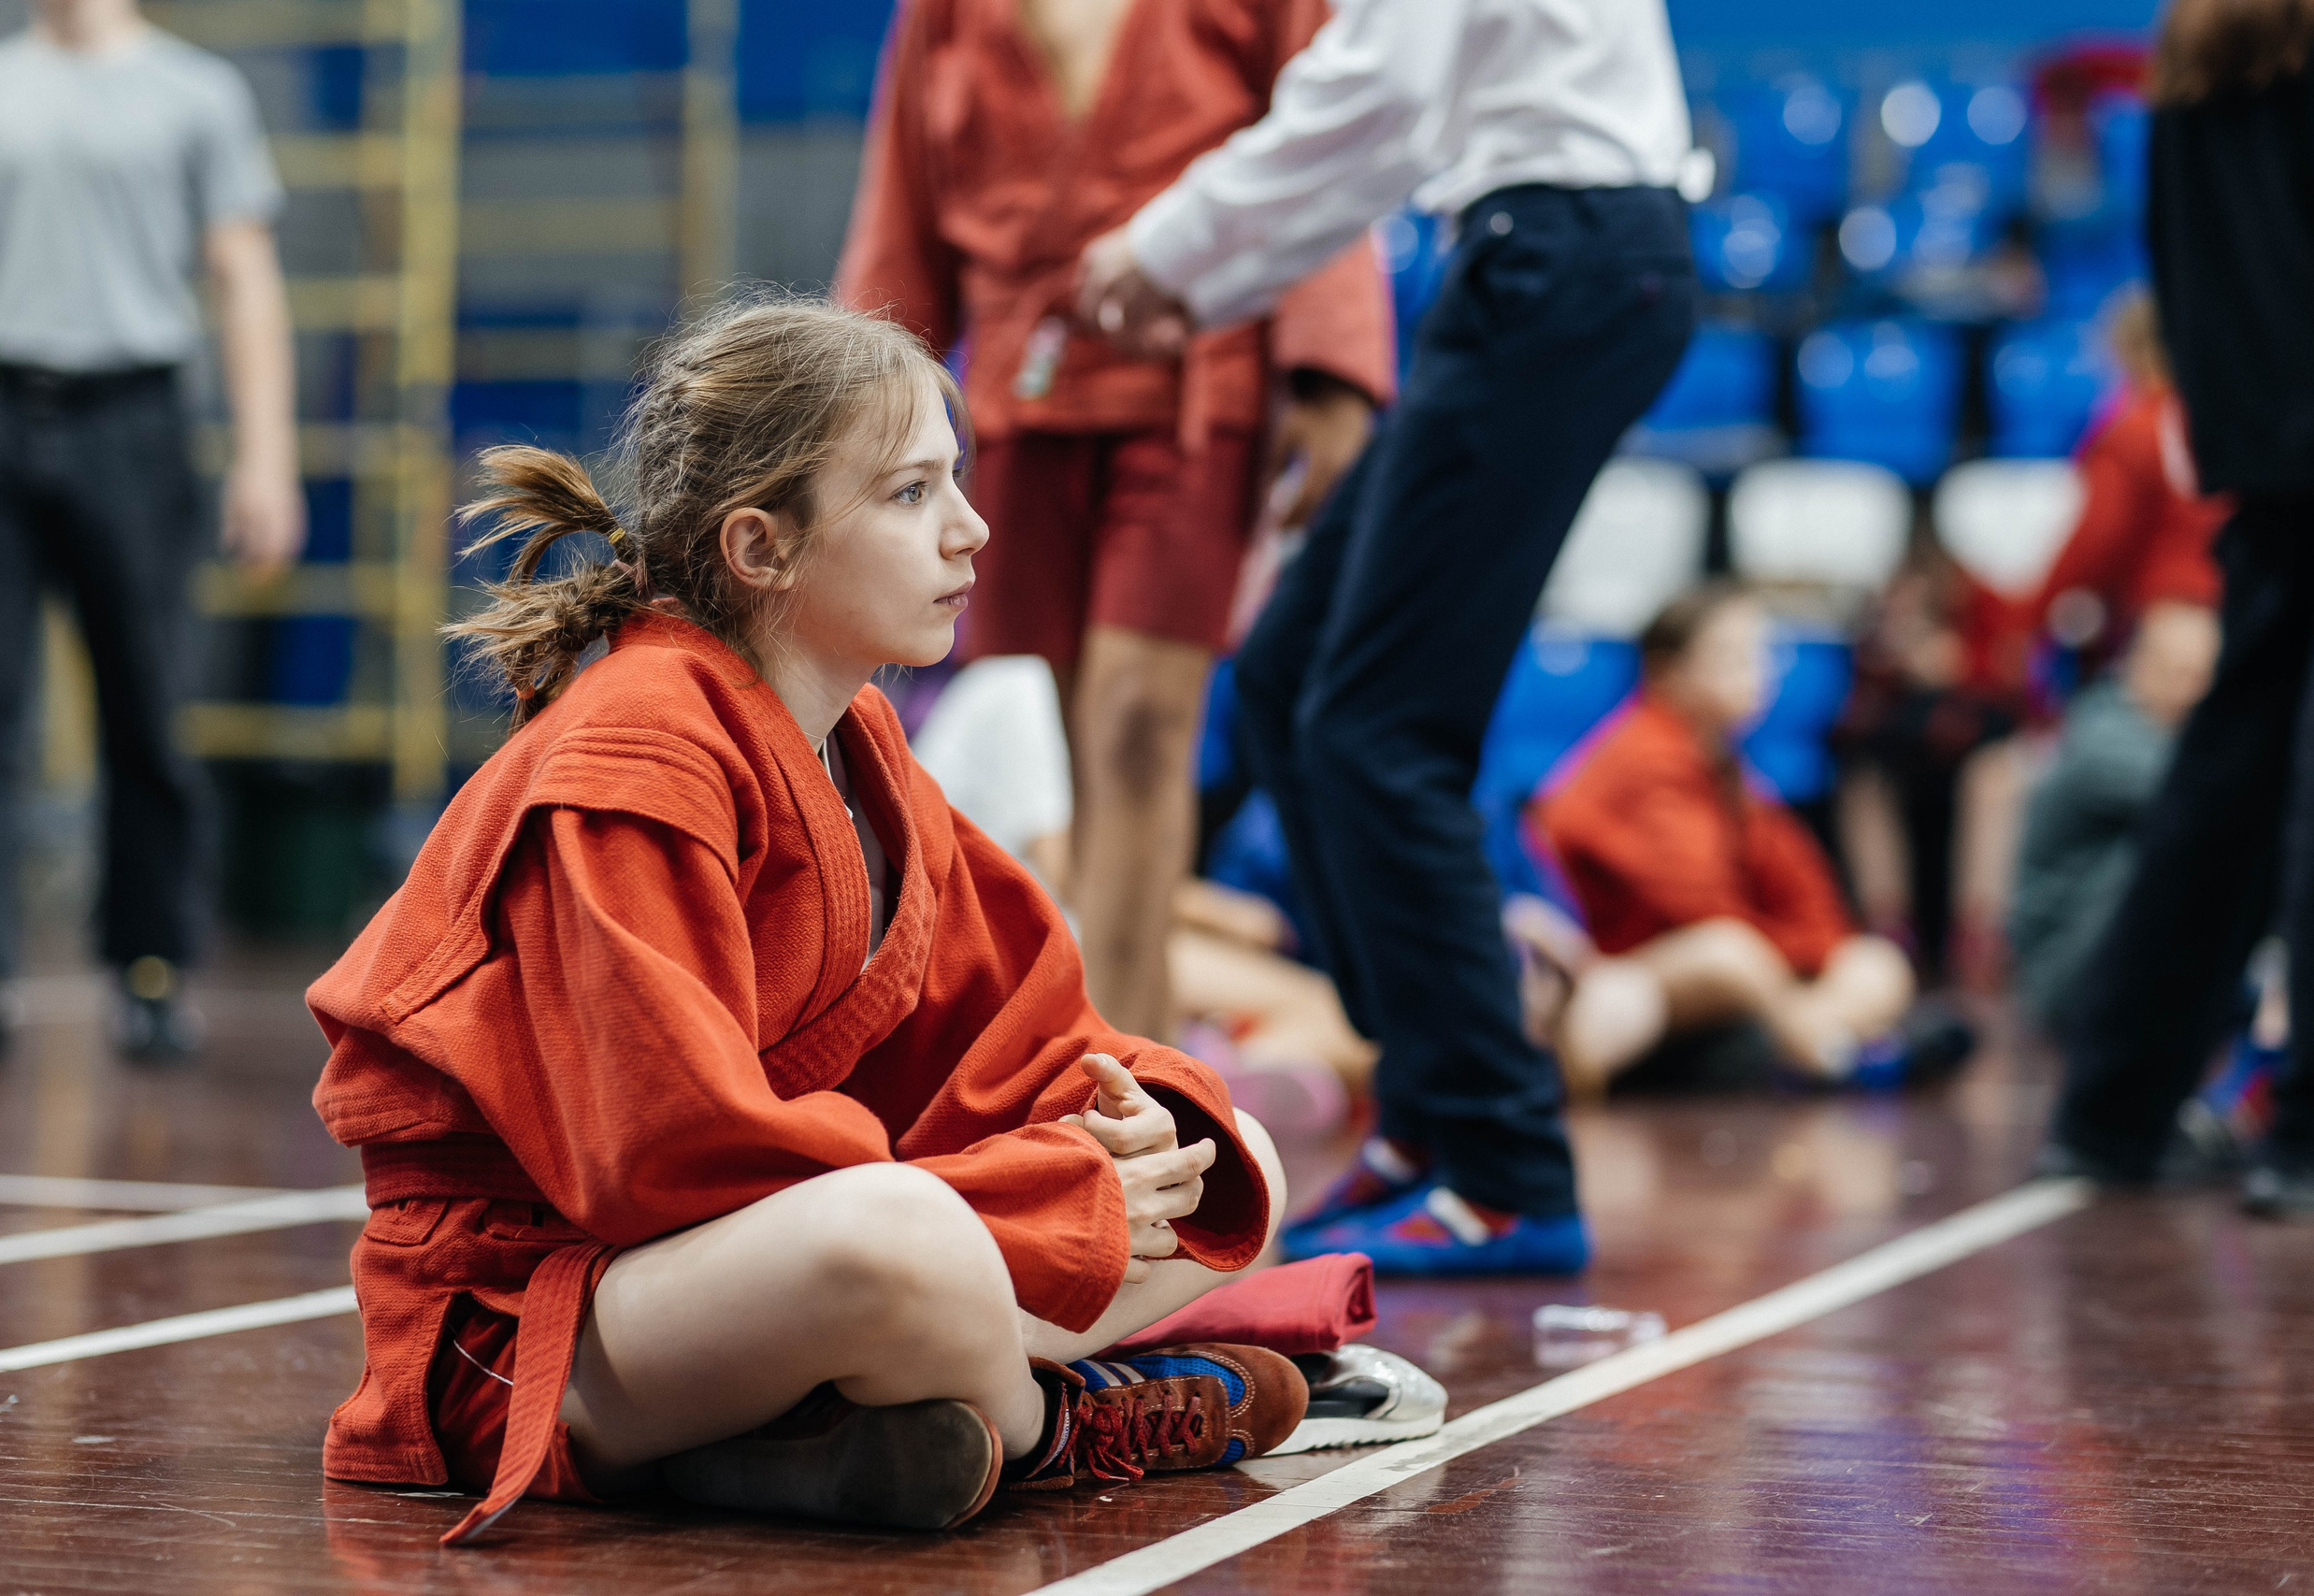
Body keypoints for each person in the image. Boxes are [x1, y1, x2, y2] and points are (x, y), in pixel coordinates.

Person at [308, 299, 1309, 1544]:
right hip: (530, 1324)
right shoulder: (639, 742)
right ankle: (1059, 1424)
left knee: (1238, 1154)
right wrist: (1039, 1185)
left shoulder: (861, 744)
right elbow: (666, 1158)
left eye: (957, 481)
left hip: (730, 1279)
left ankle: (802, 1442)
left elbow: (1018, 1025)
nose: (971, 527)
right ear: (760, 547)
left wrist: (1131, 1120)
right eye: (908, 494)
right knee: (904, 1241)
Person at [1076, 0, 1700, 1272]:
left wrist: (1167, 256)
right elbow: (1384, 121)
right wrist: (1200, 272)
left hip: (1558, 248)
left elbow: (1370, 92)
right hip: (1544, 250)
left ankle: (1503, 1161)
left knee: (1379, 731)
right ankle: (1424, 1113)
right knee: (1292, 678)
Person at [835, 0, 1394, 1042]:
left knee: (1138, 728)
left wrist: (1330, 371)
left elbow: (1328, 140)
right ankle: (1056, 1054)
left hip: (1193, 390)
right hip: (1013, 403)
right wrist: (850, 418)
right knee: (1041, 738)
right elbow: (899, 215)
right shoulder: (943, 14)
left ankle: (1132, 1067)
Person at [0, 0, 304, 1061]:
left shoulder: (198, 95)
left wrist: (265, 458)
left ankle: (149, 967)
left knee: (147, 702)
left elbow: (242, 276)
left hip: (134, 421)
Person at [2043, 0, 2314, 1216]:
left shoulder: (2190, 69)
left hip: (2259, 468)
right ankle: (2302, 1132)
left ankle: (2111, 1109)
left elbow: (2176, 272)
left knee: (2223, 798)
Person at [1530, 586, 1916, 1095]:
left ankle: (1811, 1049)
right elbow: (1697, 911)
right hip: (1614, 967)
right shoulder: (1642, 754)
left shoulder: (1726, 763)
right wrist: (1793, 958)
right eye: (1733, 656)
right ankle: (1829, 1057)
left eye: (1761, 654)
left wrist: (1810, 954)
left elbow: (1806, 893)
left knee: (1875, 965)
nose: (1758, 672)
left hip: (1724, 974)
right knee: (1731, 954)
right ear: (1668, 671)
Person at [2011, 601, 2220, 1040]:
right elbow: (2213, 801)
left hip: (2096, 958)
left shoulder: (2149, 730)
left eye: (2206, 678)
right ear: (2138, 667)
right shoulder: (2106, 738)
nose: (2195, 693)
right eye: (2181, 674)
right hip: (2063, 973)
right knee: (2173, 842)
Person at [2029, 291, 2229, 673]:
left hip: (2176, 619)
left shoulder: (2138, 431)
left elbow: (2097, 542)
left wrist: (2032, 617)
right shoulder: (2231, 421)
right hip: (2246, 606)